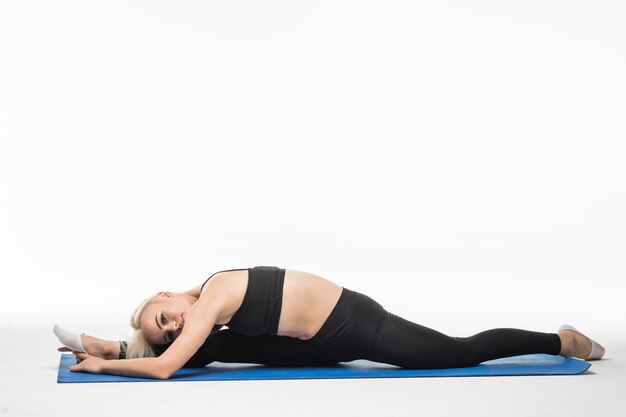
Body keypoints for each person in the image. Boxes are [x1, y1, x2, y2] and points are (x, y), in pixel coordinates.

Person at [54, 266, 605, 379]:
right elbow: (185, 349)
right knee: (214, 348)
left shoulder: (216, 292)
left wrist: (102, 369)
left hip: (356, 326)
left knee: (458, 351)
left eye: (163, 316)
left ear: (165, 290)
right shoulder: (209, 310)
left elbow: (170, 368)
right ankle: (121, 346)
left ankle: (559, 337)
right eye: (166, 330)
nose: (175, 323)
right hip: (315, 343)